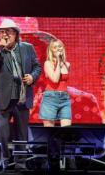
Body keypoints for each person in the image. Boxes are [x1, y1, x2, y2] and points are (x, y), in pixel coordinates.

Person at [0, 19, 41, 171]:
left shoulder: (27, 48)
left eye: (7, 31)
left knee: (21, 133)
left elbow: (37, 67)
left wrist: (32, 77)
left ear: (15, 33)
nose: (4, 35)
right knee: (2, 132)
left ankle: (20, 164)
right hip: (3, 98)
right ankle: (2, 162)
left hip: (22, 98)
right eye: (1, 32)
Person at [39, 39, 75, 169]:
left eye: (60, 46)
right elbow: (54, 79)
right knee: (50, 133)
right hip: (50, 98)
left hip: (64, 98)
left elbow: (63, 81)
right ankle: (49, 161)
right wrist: (59, 62)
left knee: (67, 132)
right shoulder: (47, 63)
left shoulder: (67, 64)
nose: (58, 49)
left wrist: (61, 63)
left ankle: (68, 161)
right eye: (55, 47)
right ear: (51, 51)